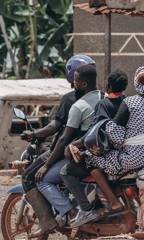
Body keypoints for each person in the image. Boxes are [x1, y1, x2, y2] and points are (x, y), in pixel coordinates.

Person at [67, 65, 144, 227]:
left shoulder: (130, 102)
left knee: (91, 159)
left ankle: (112, 201)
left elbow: (115, 136)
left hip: (132, 158)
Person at [21, 55, 97, 238]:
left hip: (63, 151)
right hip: (86, 150)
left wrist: (33, 134)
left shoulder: (70, 99)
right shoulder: (98, 97)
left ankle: (50, 219)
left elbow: (55, 128)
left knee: (29, 178)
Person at [35, 64, 104, 231]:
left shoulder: (79, 106)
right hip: (105, 155)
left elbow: (64, 137)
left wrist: (46, 165)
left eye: (75, 81)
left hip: (85, 158)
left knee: (43, 180)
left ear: (84, 84)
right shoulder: (106, 98)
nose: (74, 85)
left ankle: (73, 213)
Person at [60, 69, 129, 227]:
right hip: (126, 152)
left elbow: (95, 133)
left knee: (69, 170)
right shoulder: (128, 102)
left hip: (108, 153)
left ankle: (90, 208)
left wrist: (73, 144)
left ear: (108, 85)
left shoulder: (103, 104)